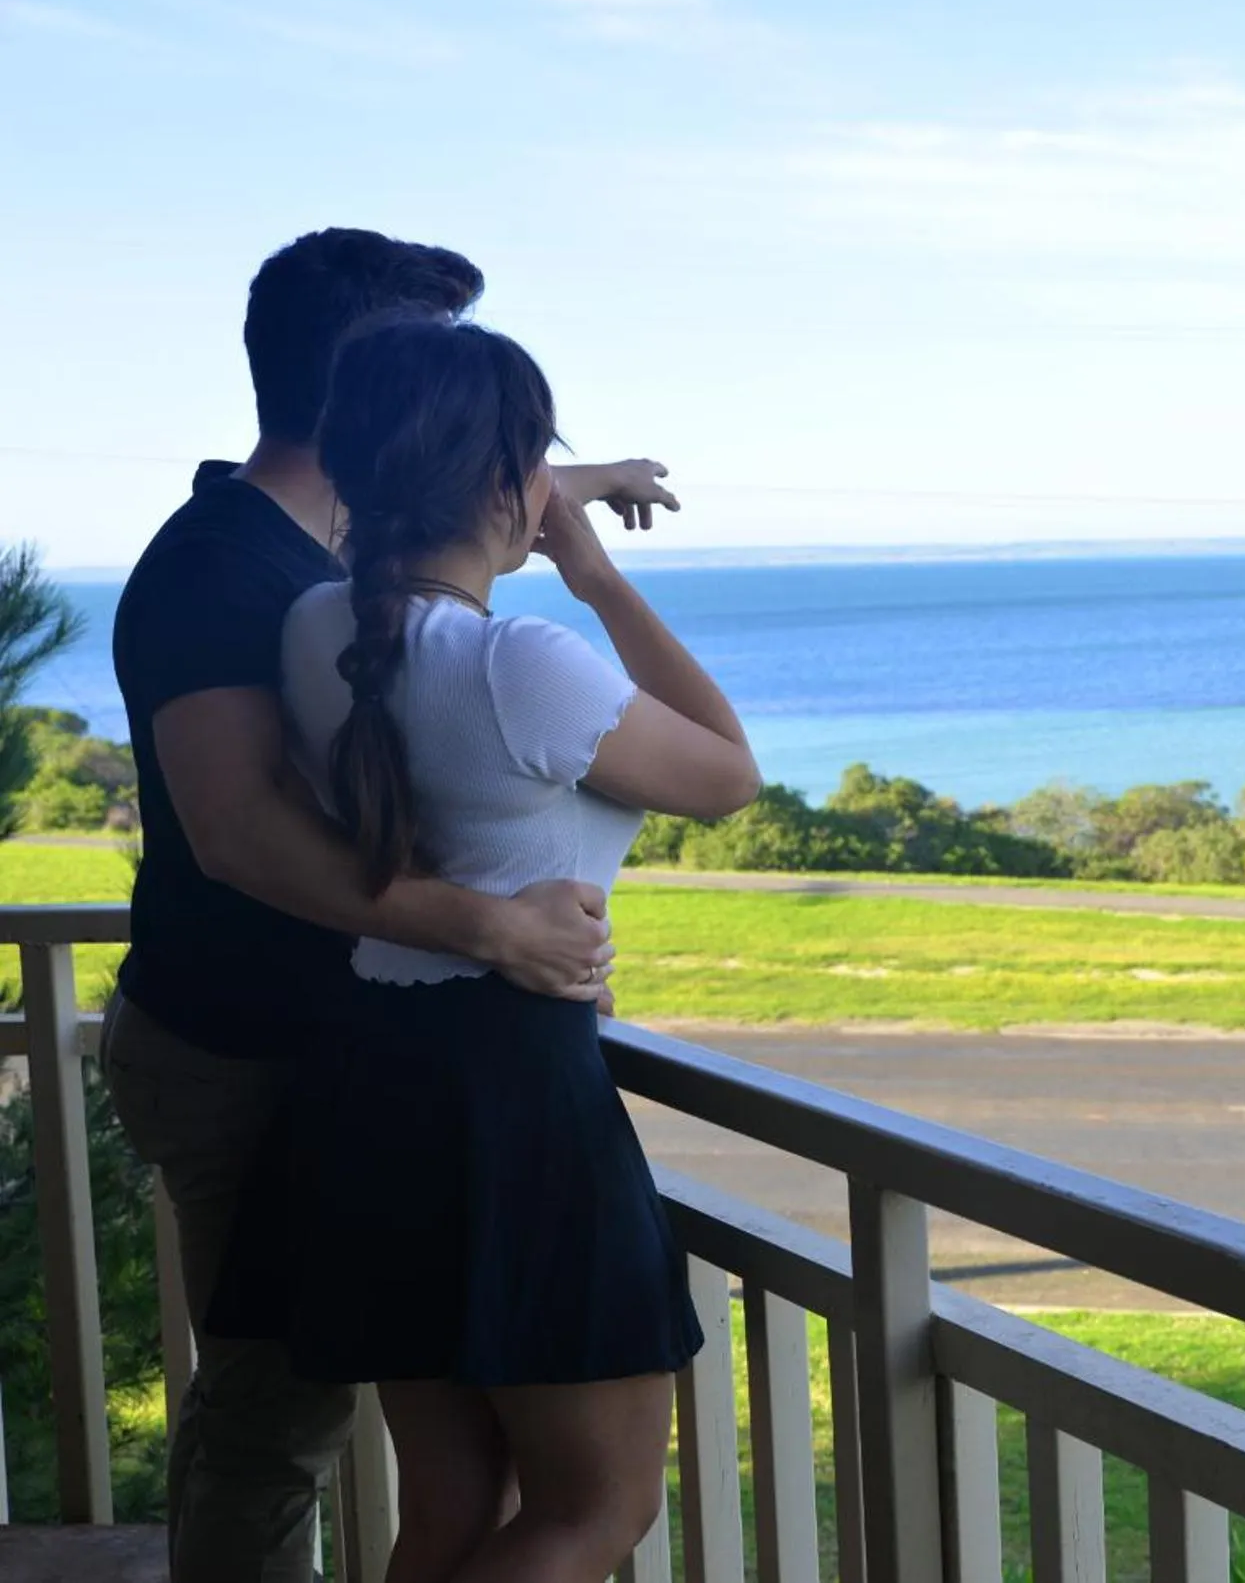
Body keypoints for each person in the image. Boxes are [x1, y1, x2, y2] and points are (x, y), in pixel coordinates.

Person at [103, 226, 680, 1583]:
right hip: (243, 1047)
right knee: (272, 1418)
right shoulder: (222, 574)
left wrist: (571, 485)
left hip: (351, 1050)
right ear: (377, 382)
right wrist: (487, 925)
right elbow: (239, 833)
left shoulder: (316, 567)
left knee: (441, 1487)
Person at [211, 313, 761, 1583]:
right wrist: (598, 574)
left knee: (453, 1505)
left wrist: (552, 487)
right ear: (511, 484)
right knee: (594, 1506)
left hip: (373, 1073)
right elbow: (727, 774)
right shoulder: (523, 661)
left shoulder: (313, 630)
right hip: (511, 1083)